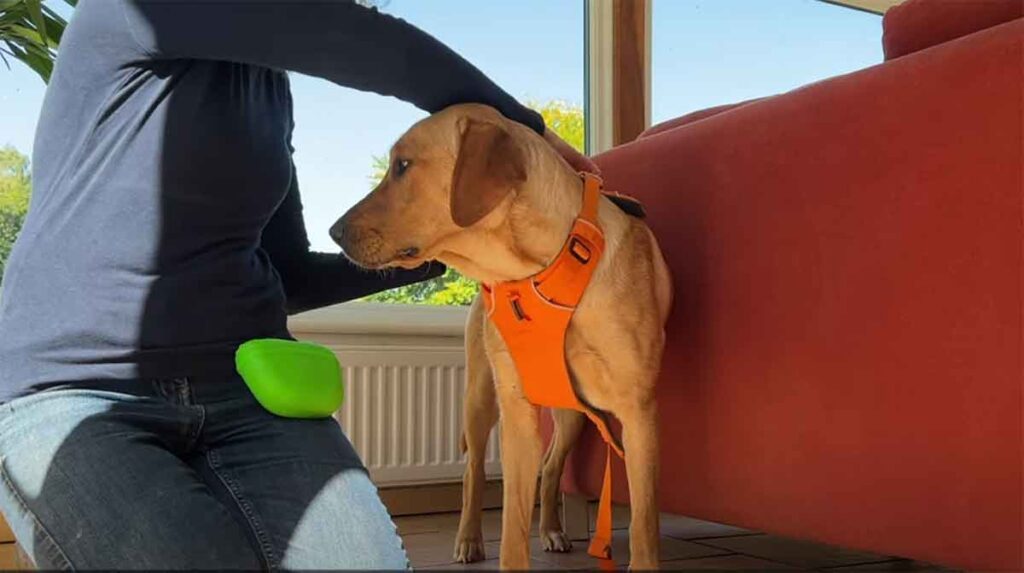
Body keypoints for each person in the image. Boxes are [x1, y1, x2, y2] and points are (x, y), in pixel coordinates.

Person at [0, 1, 597, 569]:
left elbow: (285, 273)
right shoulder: (136, 10)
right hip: (74, 384)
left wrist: (434, 255)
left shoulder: (269, 93)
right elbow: (355, 38)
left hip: (244, 387)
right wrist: (527, 131)